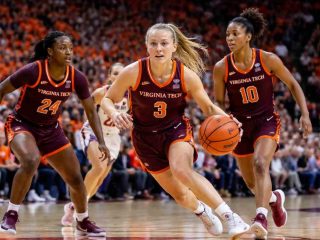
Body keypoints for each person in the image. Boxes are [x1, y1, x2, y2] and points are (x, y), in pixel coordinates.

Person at [101, 23, 249, 237]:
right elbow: (107, 99)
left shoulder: (186, 75)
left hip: (175, 130)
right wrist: (114, 113)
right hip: (144, 139)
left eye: (164, 43)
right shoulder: (133, 71)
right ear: (146, 46)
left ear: (174, 46)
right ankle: (202, 210)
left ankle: (231, 218)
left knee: (182, 169)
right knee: (180, 196)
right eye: (153, 44)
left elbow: (207, 107)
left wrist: (230, 121)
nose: (159, 48)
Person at [213, 8, 312, 239]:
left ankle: (260, 217)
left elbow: (293, 84)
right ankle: (274, 200)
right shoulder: (221, 67)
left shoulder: (267, 59)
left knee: (260, 164)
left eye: (235, 34)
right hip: (239, 127)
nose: (230, 38)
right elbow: (218, 102)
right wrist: (223, 122)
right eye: (227, 34)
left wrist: (305, 114)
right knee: (250, 182)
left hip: (266, 121)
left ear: (248, 36)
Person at [0, 31, 108, 237]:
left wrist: (101, 141)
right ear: (50, 51)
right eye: (62, 48)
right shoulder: (33, 71)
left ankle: (82, 220)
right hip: (22, 124)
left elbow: (91, 110)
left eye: (70, 48)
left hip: (51, 129)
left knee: (76, 178)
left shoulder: (77, 77)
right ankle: (11, 215)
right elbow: (2, 89)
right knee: (31, 161)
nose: (68, 52)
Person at [61, 62, 127, 226]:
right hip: (94, 132)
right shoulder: (100, 93)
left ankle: (73, 207)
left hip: (113, 138)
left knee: (100, 178)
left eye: (122, 73)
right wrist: (89, 125)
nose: (119, 76)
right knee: (98, 166)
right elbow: (87, 108)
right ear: (110, 76)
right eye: (115, 73)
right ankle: (80, 212)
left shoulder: (130, 97)